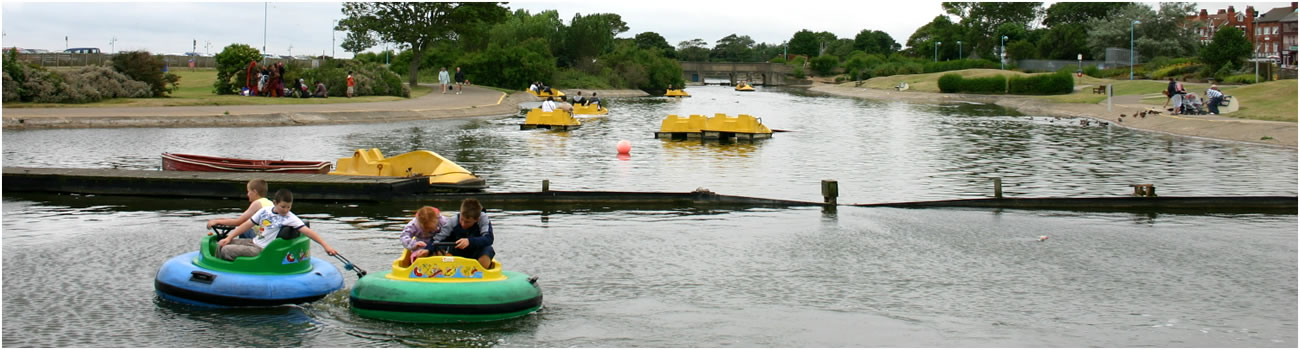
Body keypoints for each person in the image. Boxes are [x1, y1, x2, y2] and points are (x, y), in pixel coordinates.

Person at [217, 189, 338, 261]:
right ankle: (218, 270)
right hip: (254, 242)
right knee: (221, 244)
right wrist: (229, 237)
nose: (286, 210)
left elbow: (308, 232)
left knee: (227, 250)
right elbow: (246, 225)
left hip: (263, 250)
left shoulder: (290, 218)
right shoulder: (264, 211)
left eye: (288, 207)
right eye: (283, 206)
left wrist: (326, 246)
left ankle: (231, 271)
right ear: (275, 203)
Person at [432, 198, 495, 269]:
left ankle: (481, 270)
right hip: (457, 251)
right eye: (461, 219)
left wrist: (469, 241)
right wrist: (427, 249)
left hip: (477, 250)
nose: (463, 224)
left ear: (476, 219)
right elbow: (436, 240)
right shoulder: (453, 221)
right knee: (437, 250)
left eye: (467, 222)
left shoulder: (483, 219)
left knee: (487, 251)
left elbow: (489, 238)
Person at [206, 179, 273, 239]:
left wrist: (216, 222)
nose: (247, 194)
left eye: (248, 191)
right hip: (270, 236)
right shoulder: (269, 202)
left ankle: (242, 250)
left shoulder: (257, 203)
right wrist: (221, 220)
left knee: (244, 229)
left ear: (255, 192)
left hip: (262, 237)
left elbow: (238, 222)